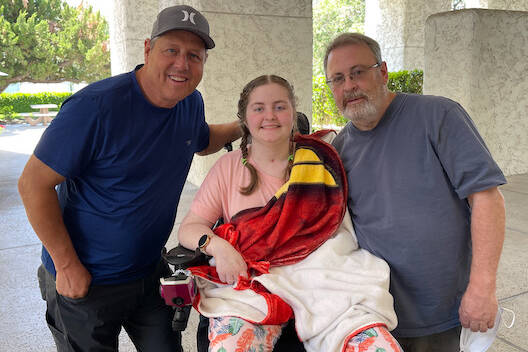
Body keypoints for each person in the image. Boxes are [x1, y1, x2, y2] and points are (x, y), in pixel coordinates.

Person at [17, 5, 240, 352]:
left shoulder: (190, 102)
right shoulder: (95, 108)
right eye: (172, 51)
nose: (182, 64)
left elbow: (200, 138)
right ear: (148, 49)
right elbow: (33, 184)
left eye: (194, 56)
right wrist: (66, 265)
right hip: (85, 281)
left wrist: (252, 124)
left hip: (147, 272)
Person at [177, 74, 402, 352]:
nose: (270, 116)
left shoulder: (322, 159)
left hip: (325, 279)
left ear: (293, 113)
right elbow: (190, 227)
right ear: (244, 118)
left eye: (280, 106)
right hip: (254, 284)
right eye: (259, 108)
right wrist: (219, 248)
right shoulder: (228, 167)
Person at [325, 33, 507, 351]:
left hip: (443, 312)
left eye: (357, 72)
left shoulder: (439, 116)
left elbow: (487, 198)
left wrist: (483, 286)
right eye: (337, 79)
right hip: (375, 315)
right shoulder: (339, 149)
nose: (348, 86)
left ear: (382, 72)